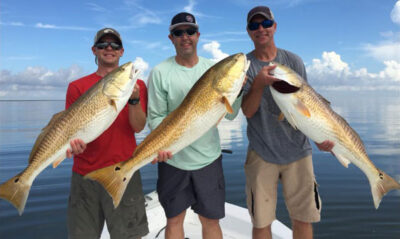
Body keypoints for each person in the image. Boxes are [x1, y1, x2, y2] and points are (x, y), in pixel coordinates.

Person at [241, 6, 334, 239]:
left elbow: (309, 106)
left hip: (299, 152)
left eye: (265, 24)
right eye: (254, 25)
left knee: (303, 218)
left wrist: (321, 138)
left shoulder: (293, 60)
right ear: (248, 31)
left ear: (274, 26)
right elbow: (248, 111)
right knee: (261, 222)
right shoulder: (244, 66)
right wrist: (258, 84)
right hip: (261, 152)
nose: (260, 29)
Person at [147, 12, 242, 239]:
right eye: (178, 33)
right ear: (171, 38)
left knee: (210, 221)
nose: (185, 37)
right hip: (173, 160)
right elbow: (156, 116)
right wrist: (163, 143)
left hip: (208, 159)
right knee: (174, 220)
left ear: (198, 35)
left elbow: (229, 116)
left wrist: (238, 91)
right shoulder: (160, 72)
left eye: (190, 32)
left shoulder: (214, 69)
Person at [65, 27, 149, 239]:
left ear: (122, 51)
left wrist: (134, 100)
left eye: (115, 45)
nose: (109, 48)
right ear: (94, 50)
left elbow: (138, 127)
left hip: (124, 171)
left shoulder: (137, 86)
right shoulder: (77, 86)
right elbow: (69, 129)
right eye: (103, 45)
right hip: (85, 173)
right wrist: (72, 145)